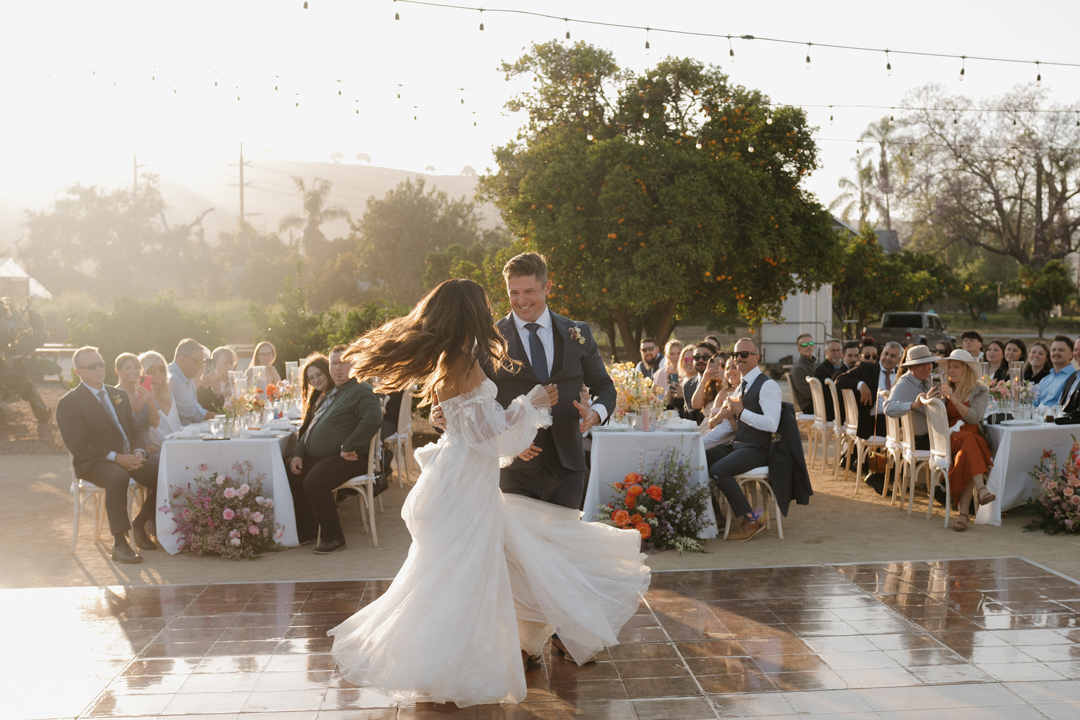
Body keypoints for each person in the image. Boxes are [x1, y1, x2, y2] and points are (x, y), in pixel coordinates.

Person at [328, 278, 649, 706]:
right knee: (464, 570)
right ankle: (451, 664)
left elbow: (475, 427)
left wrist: (517, 418)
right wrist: (531, 405)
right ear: (470, 311)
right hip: (467, 480)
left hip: (463, 474)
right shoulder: (463, 361)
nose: (492, 308)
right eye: (484, 303)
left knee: (462, 569)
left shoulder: (456, 358)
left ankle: (460, 658)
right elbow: (487, 436)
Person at [56, 347, 159, 563]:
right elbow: (79, 446)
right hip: (94, 462)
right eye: (91, 366)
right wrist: (118, 458)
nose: (98, 369)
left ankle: (139, 523)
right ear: (78, 372)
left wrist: (138, 452)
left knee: (165, 474)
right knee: (117, 476)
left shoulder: (118, 394)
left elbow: (134, 430)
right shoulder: (69, 403)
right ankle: (120, 545)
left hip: (129, 457)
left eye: (101, 364)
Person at [288, 345, 382, 554]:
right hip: (327, 457)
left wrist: (349, 445)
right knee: (291, 473)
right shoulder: (334, 393)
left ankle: (334, 537)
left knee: (314, 482)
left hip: (351, 458)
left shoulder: (360, 389)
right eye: (333, 363)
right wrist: (298, 453)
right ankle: (309, 528)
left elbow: (373, 418)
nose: (337, 368)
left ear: (354, 364)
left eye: (343, 363)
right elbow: (311, 428)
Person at [707, 338, 780, 543]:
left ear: (756, 358)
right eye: (735, 354)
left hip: (759, 448)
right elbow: (736, 423)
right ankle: (716, 516)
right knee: (699, 459)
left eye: (744, 354)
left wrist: (741, 412)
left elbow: (772, 424)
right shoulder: (743, 385)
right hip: (740, 445)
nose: (738, 358)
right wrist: (725, 416)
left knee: (718, 470)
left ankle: (752, 520)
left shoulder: (768, 385)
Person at [924, 350, 994, 532]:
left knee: (968, 451)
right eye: (949, 368)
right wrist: (931, 401)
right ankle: (981, 489)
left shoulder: (980, 390)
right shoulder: (943, 388)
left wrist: (953, 399)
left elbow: (974, 418)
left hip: (973, 438)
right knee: (969, 443)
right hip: (949, 439)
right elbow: (935, 419)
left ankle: (963, 514)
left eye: (956, 367)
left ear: (967, 369)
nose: (951, 371)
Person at [836, 341, 903, 440]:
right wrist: (860, 384)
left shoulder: (902, 375)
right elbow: (839, 380)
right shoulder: (866, 368)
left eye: (893, 356)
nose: (888, 358)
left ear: (899, 360)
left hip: (897, 420)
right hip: (874, 421)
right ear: (881, 354)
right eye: (886, 354)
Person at [883, 345, 936, 452]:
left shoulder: (931, 380)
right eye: (921, 364)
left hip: (934, 438)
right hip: (923, 442)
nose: (927, 368)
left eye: (929, 363)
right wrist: (913, 405)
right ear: (910, 367)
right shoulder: (903, 384)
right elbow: (888, 408)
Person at [114, 353, 160, 456]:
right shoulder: (113, 396)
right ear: (118, 372)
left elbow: (155, 423)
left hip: (151, 446)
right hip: (127, 449)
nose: (133, 371)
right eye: (128, 368)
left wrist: (151, 402)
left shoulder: (145, 392)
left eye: (136, 368)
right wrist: (142, 447)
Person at [167, 338, 218, 425]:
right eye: (198, 362)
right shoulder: (172, 378)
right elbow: (196, 414)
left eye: (203, 362)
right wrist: (228, 418)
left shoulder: (187, 375)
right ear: (183, 359)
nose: (201, 366)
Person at [139, 351, 182, 445]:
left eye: (161, 368)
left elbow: (177, 425)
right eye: (152, 369)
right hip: (157, 448)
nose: (158, 372)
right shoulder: (141, 397)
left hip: (178, 443)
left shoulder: (169, 394)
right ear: (143, 371)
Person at [701, 357, 739, 451]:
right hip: (713, 439)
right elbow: (711, 424)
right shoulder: (722, 394)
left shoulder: (745, 393)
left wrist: (730, 416)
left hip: (730, 443)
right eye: (727, 368)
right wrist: (720, 415)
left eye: (734, 367)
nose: (730, 371)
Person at [297, 353, 332, 435]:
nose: (316, 380)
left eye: (319, 374)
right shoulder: (315, 395)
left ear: (327, 372)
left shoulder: (335, 394)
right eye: (311, 378)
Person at [681, 342, 716, 423]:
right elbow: (687, 414)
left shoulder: (721, 383)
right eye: (697, 357)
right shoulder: (688, 385)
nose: (700, 360)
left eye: (705, 357)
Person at [197, 346, 238, 414]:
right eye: (225, 364)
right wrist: (222, 394)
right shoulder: (206, 384)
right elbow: (206, 409)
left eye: (231, 363)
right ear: (214, 364)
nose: (229, 367)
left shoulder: (235, 382)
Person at [1037, 335, 1076, 407]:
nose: (1056, 353)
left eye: (1061, 350)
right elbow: (1032, 404)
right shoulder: (1044, 380)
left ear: (1071, 355)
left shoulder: (1075, 379)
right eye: (1053, 350)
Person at [814, 339, 844, 422]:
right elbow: (827, 398)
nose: (836, 353)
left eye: (838, 350)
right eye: (833, 351)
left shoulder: (839, 368)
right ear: (826, 352)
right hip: (832, 414)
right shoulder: (821, 370)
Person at [789, 333, 816, 414]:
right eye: (804, 345)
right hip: (809, 406)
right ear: (799, 350)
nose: (808, 346)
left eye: (811, 343)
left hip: (817, 402)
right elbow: (808, 394)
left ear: (814, 347)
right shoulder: (798, 368)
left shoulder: (815, 365)